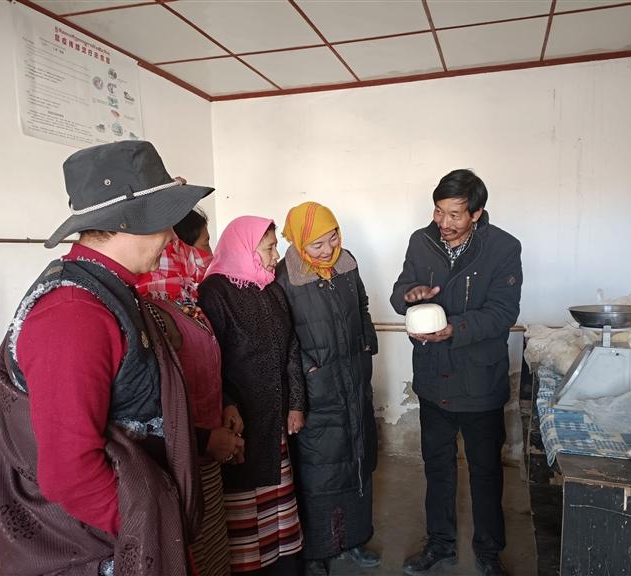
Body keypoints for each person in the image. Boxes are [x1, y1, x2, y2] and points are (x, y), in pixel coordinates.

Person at [0, 140, 213, 575]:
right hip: (103, 548)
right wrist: (146, 532)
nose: (171, 236)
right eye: (164, 221)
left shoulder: (109, 289)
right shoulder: (73, 315)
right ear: (129, 220)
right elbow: (70, 473)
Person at [390, 169, 522, 576]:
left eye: (455, 215)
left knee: (485, 471)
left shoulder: (503, 248)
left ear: (476, 213)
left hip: (479, 380)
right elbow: (399, 291)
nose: (443, 223)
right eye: (438, 211)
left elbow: (503, 313)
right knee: (437, 466)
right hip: (433, 377)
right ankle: (440, 544)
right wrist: (410, 295)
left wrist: (455, 329)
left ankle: (488, 552)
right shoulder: (421, 241)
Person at [136, 208, 245, 576]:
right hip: (178, 457)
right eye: (201, 245)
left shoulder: (187, 302)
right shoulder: (149, 313)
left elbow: (207, 362)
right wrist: (203, 440)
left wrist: (226, 403)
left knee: (212, 547)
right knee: (189, 549)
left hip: (207, 448)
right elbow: (150, 404)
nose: (208, 255)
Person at [276, 202, 380, 576]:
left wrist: (366, 343)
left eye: (332, 238)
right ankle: (317, 550)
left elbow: (362, 304)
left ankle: (354, 539)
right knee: (319, 470)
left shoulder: (346, 263)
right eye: (316, 244)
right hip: (317, 388)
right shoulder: (285, 277)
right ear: (298, 241)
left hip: (354, 377)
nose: (327, 249)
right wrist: (310, 369)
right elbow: (284, 336)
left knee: (358, 459)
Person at [198, 216, 305, 575]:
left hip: (274, 413)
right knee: (246, 502)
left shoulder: (271, 289)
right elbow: (210, 360)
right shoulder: (215, 292)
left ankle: (282, 565)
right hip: (242, 418)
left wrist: (295, 403)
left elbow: (291, 348)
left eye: (275, 247)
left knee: (277, 498)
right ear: (244, 248)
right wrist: (227, 402)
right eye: (269, 248)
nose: (276, 256)